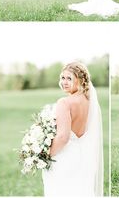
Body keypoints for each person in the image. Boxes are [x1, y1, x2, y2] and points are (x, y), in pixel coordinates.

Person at [42, 62, 103, 197]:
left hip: (64, 156)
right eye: (62, 78)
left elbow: (63, 137)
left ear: (80, 80)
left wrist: (45, 155)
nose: (64, 82)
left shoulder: (64, 103)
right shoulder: (89, 101)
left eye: (69, 78)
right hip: (82, 156)